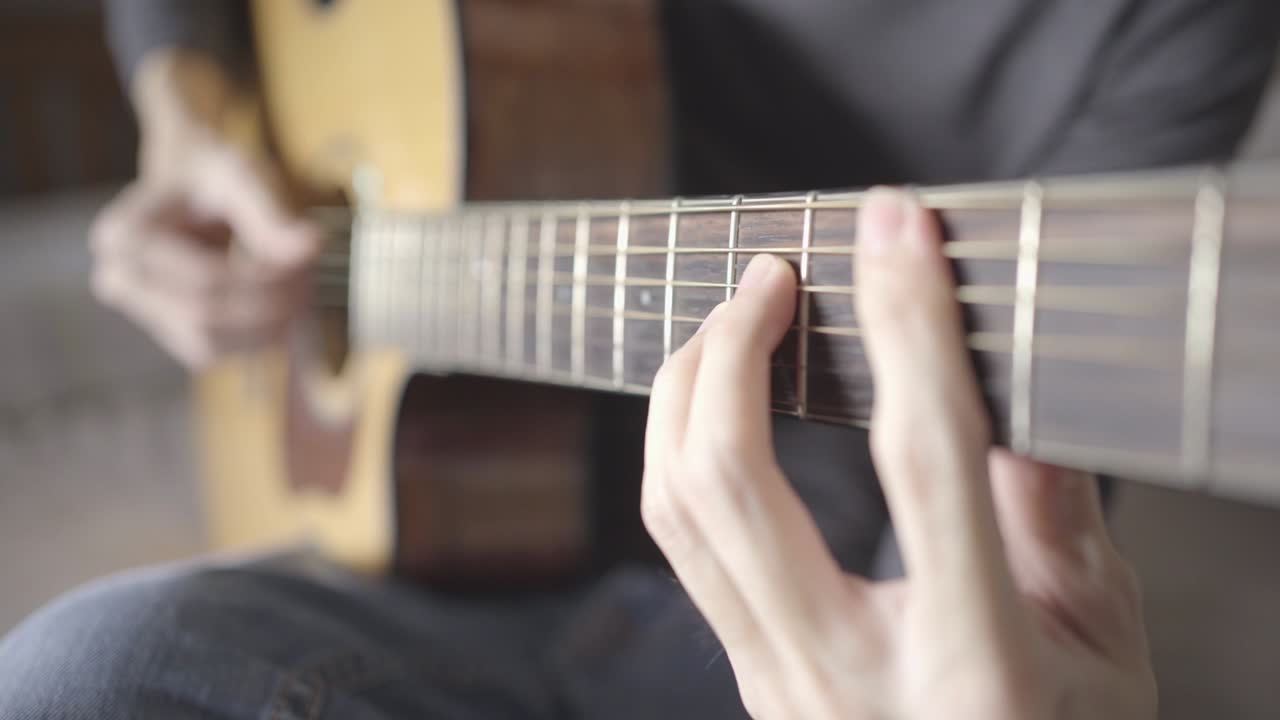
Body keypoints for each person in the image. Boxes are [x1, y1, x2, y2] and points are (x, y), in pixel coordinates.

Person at [1, 1, 1276, 717]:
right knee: (80, 677)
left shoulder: (1175, 22)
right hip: (424, 550)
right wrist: (183, 97)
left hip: (765, 622)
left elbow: (1012, 521)